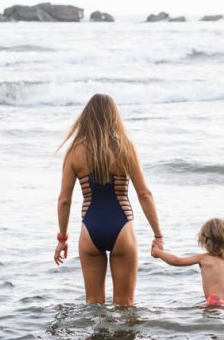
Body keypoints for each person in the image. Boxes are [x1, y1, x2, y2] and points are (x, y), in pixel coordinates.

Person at [53, 94, 164, 306]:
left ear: (86, 117)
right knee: (125, 306)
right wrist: (158, 235)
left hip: (90, 229)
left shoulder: (75, 152)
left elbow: (64, 200)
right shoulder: (126, 149)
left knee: (94, 305)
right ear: (114, 117)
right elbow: (144, 194)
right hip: (122, 227)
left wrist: (62, 239)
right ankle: (124, 338)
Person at [151, 218, 224, 308]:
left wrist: (158, 252)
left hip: (214, 303)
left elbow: (176, 261)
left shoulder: (203, 258)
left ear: (204, 239)